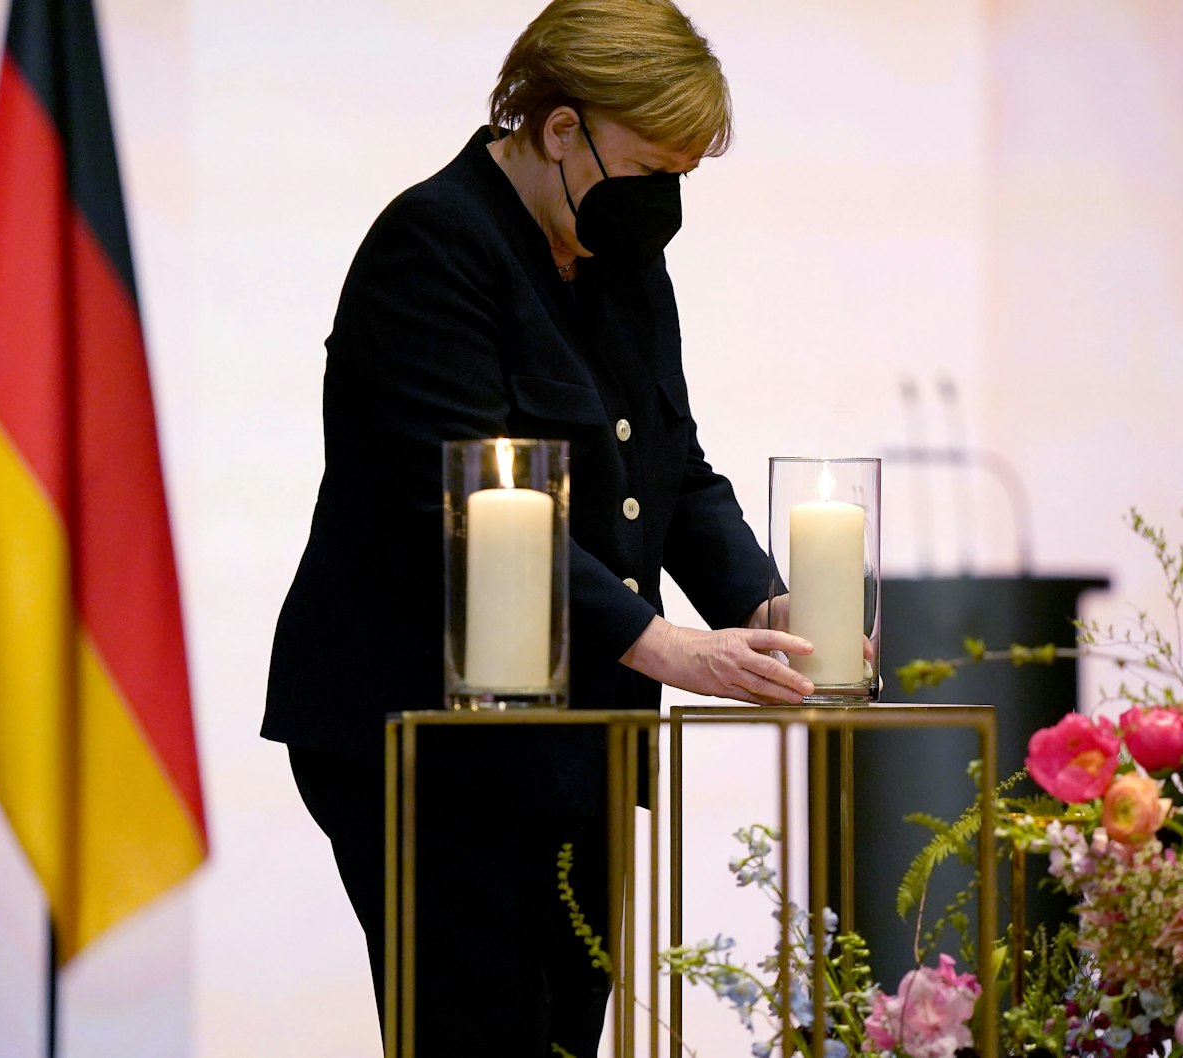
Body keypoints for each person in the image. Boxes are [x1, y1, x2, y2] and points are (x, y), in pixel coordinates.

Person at [261, 1, 815, 1052]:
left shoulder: (620, 262)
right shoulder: (432, 242)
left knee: (561, 1033)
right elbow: (461, 507)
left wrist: (764, 601)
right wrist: (662, 643)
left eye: (683, 179)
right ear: (560, 127)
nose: (665, 204)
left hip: (572, 734)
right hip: (427, 732)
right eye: (653, 170)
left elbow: (675, 470)